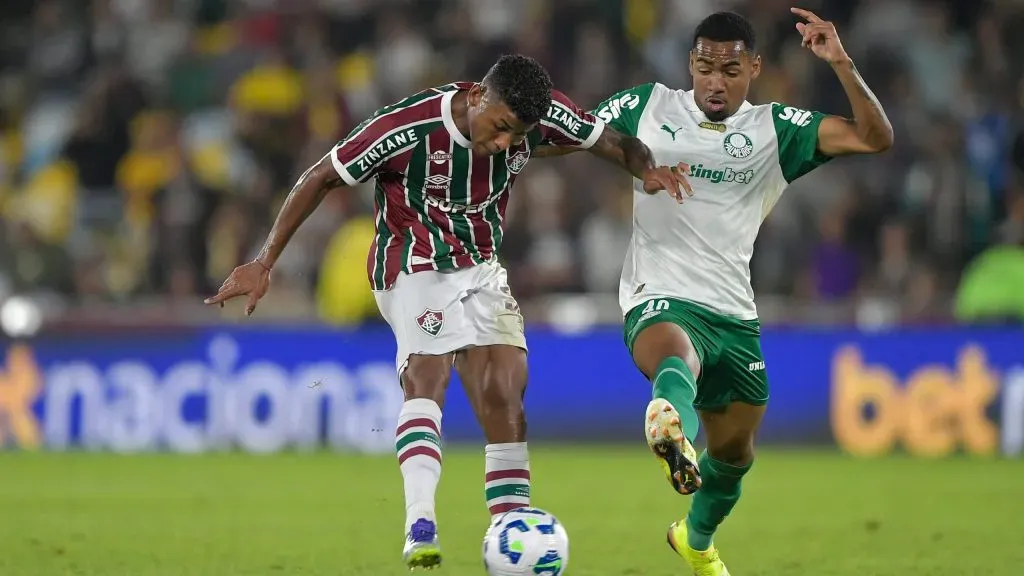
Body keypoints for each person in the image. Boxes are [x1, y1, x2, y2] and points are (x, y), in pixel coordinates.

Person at [204, 54, 691, 570]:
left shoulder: (537, 114)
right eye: (501, 127)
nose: (505, 142)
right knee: (428, 373)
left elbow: (609, 141)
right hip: (411, 260)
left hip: (481, 266)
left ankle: (511, 531)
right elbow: (323, 175)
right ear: (479, 97)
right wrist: (264, 260)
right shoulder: (407, 126)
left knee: (506, 389)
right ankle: (420, 525)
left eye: (517, 136)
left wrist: (648, 170)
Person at [534, 9, 893, 575]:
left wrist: (840, 63)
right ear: (690, 66)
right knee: (677, 357)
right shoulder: (647, 107)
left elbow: (875, 138)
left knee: (734, 456)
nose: (715, 81)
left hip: (733, 311)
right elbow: (570, 137)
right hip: (659, 294)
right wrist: (513, 136)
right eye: (704, 67)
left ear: (754, 67)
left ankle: (693, 539)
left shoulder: (776, 129)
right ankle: (667, 421)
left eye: (729, 69)